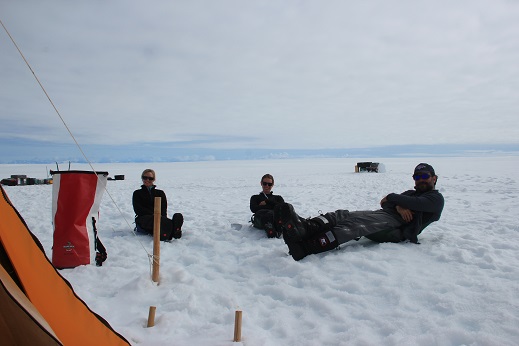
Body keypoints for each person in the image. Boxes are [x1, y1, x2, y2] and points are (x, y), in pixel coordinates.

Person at [274, 163, 444, 260]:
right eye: (417, 177)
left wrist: (395, 199)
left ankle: (306, 248)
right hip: (384, 214)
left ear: (434, 178)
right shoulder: (410, 194)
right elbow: (385, 202)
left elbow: (415, 203)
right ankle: (306, 228)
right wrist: (399, 206)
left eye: (424, 176)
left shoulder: (436, 199)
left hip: (397, 229)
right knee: (343, 214)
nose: (420, 180)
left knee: (354, 225)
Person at [133, 169, 183, 241]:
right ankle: (171, 232)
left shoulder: (160, 193)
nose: (147, 180)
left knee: (168, 219)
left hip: (160, 217)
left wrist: (161, 217)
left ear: (154, 180)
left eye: (150, 178)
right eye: (145, 177)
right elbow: (138, 209)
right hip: (144, 218)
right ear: (142, 178)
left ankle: (172, 230)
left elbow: (163, 208)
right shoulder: (137, 193)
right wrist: (154, 214)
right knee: (156, 221)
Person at [250, 174, 285, 238]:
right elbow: (254, 209)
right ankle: (271, 229)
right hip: (261, 218)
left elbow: (282, 208)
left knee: (288, 209)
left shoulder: (278, 198)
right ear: (261, 183)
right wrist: (272, 206)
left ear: (272, 185)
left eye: (269, 184)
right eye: (264, 183)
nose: (267, 186)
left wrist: (267, 202)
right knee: (268, 213)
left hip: (275, 217)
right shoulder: (255, 197)